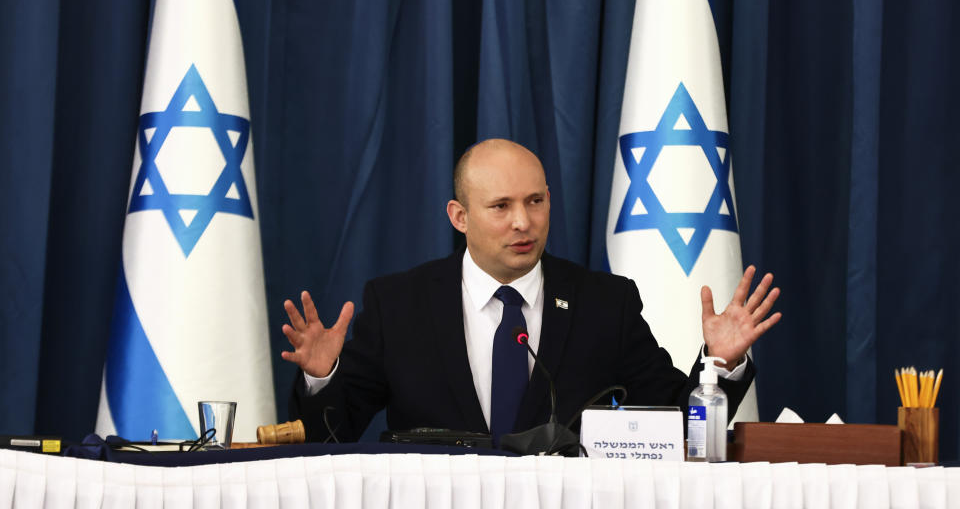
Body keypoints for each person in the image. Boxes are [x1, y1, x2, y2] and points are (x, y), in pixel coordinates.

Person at [282, 139, 781, 443]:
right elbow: (336, 433)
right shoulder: (400, 305)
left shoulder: (605, 304)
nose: (523, 222)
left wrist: (719, 363)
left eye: (536, 201)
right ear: (460, 217)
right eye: (500, 206)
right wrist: (324, 378)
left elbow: (676, 422)